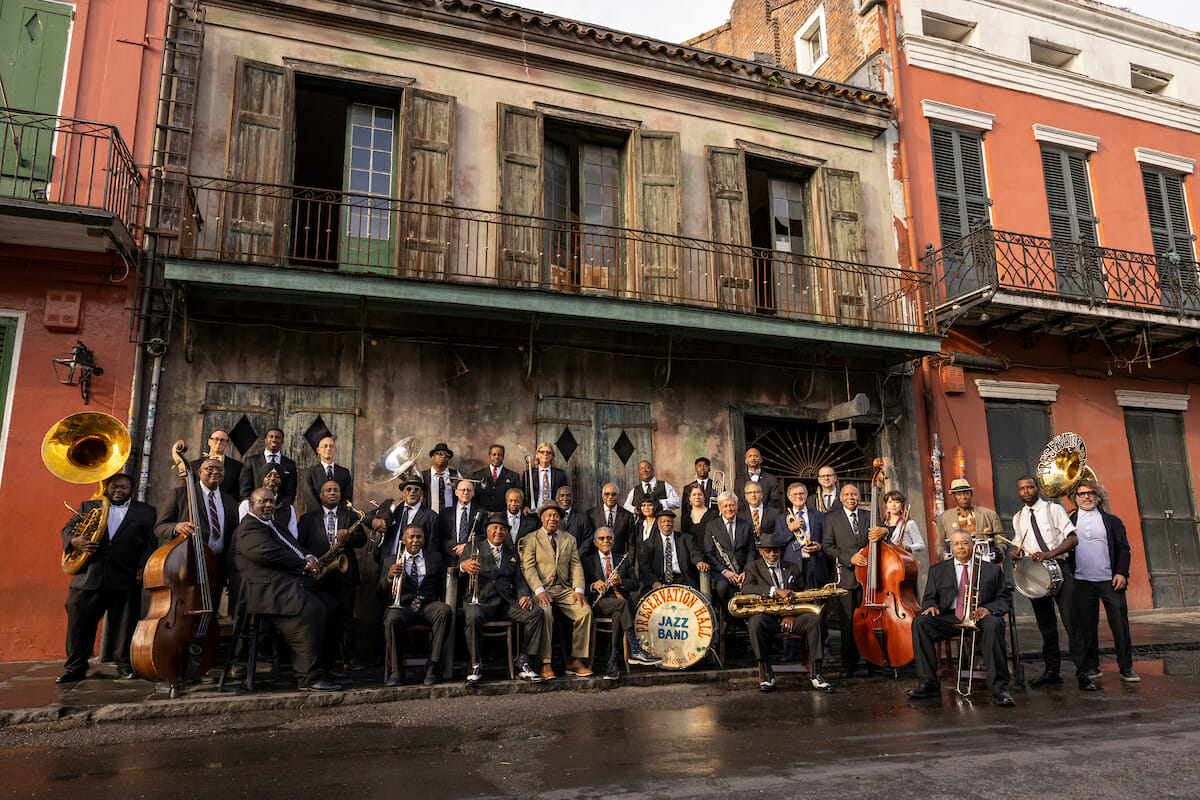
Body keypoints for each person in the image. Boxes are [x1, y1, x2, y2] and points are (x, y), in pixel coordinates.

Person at [232, 489, 340, 692]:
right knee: (311, 611)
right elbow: (267, 553)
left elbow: (295, 546)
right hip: (264, 591)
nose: (268, 505)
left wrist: (311, 557)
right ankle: (308, 677)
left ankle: (325, 668)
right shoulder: (248, 528)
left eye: (271, 502)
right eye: (263, 502)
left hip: (283, 584)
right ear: (251, 506)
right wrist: (304, 565)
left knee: (332, 606)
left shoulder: (274, 525)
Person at [58, 474, 157, 683]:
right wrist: (75, 541)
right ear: (107, 487)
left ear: (131, 489)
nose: (118, 490)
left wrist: (143, 566)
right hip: (88, 576)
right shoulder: (88, 506)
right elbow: (67, 530)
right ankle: (75, 669)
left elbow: (150, 542)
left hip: (126, 576)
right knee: (79, 624)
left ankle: (124, 666)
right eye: (114, 486)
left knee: (124, 626)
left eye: (123, 487)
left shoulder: (146, 511)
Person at [908, 529, 1014, 706]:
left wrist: (988, 609)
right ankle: (929, 683)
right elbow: (929, 598)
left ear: (972, 545)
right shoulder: (937, 570)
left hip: (980, 616)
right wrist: (931, 606)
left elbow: (1004, 599)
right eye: (956, 544)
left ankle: (999, 688)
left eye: (965, 543)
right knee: (920, 622)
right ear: (951, 547)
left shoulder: (992, 569)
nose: (961, 547)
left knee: (995, 623)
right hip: (950, 617)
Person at [1012, 475, 1092, 690]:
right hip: (1036, 575)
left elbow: (1073, 539)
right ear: (1018, 492)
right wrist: (1016, 554)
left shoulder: (1053, 509)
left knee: (1072, 623)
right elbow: (1020, 546)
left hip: (1059, 568)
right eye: (1022, 488)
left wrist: (1049, 554)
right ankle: (1052, 672)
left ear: (1037, 488)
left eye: (1030, 487)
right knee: (1046, 626)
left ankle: (1083, 673)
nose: (1026, 491)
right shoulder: (1018, 517)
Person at [458, 513, 544, 686]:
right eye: (495, 528)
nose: (499, 531)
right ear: (487, 530)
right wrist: (462, 566)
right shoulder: (473, 547)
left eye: (503, 529)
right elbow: (456, 570)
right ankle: (475, 665)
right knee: (473, 616)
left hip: (504, 602)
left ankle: (524, 662)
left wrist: (524, 595)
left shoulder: (512, 552)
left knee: (536, 613)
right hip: (479, 601)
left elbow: (519, 580)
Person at [742, 533, 831, 693]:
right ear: (761, 551)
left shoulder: (792, 567)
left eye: (775, 551)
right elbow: (746, 588)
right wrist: (774, 590)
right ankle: (767, 674)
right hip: (768, 618)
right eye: (768, 551)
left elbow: (803, 593)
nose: (772, 554)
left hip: (792, 617)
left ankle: (816, 674)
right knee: (755, 623)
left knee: (815, 621)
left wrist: (791, 614)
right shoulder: (752, 567)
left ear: (780, 551)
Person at [1069, 478, 1137, 683]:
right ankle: (1092, 666)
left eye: (1090, 493)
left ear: (1097, 496)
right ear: (1075, 498)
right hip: (1082, 582)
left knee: (1120, 627)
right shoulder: (1068, 522)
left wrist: (1121, 573)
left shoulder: (1112, 521)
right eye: (1082, 494)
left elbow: (1124, 548)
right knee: (1087, 627)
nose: (1086, 497)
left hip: (1110, 580)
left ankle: (1126, 668)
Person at [297, 480, 366, 676]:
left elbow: (362, 540)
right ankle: (325, 661)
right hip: (319, 576)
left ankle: (349, 658)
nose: (332, 493)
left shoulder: (350, 516)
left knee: (346, 617)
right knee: (322, 619)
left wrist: (349, 537)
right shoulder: (307, 519)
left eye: (336, 490)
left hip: (345, 575)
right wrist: (312, 561)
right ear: (320, 495)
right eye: (328, 490)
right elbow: (300, 545)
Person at [520, 501, 593, 679]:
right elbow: (528, 568)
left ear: (560, 519)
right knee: (545, 612)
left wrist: (579, 590)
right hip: (543, 589)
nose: (552, 518)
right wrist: (538, 590)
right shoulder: (531, 539)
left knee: (584, 611)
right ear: (542, 518)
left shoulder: (569, 539)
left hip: (564, 589)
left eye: (556, 516)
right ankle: (546, 663)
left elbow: (576, 565)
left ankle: (575, 660)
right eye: (549, 515)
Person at [155, 457, 239, 608]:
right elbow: (160, 527)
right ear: (199, 472)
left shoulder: (230, 501)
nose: (215, 472)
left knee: (211, 610)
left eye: (220, 469)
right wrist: (177, 527)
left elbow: (233, 536)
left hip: (217, 567)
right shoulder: (180, 494)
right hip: (187, 563)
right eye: (210, 468)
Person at [582, 526, 662, 679]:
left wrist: (622, 582)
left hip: (619, 605)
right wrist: (593, 586)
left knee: (619, 613)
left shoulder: (622, 559)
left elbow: (635, 584)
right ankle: (636, 649)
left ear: (613, 541)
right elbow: (581, 585)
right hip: (600, 603)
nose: (606, 541)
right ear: (595, 542)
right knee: (623, 604)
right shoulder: (588, 561)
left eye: (609, 538)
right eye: (602, 538)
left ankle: (612, 664)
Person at [379, 525, 453, 686]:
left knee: (444, 611)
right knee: (391, 619)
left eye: (419, 537)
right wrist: (389, 576)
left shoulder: (435, 558)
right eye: (411, 537)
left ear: (424, 539)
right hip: (403, 606)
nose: (415, 540)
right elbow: (379, 591)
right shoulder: (391, 560)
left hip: (428, 605)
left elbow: (442, 585)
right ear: (403, 540)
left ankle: (432, 666)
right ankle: (397, 671)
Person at [822, 483, 883, 677]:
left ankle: (874, 663)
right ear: (841, 498)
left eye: (854, 494)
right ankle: (849, 665)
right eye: (847, 494)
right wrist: (850, 558)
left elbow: (886, 531)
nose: (851, 497)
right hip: (847, 577)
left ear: (859, 497)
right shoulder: (831, 519)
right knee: (848, 624)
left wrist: (885, 531)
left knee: (871, 621)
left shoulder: (869, 516)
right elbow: (828, 547)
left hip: (870, 578)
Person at [371, 475, 442, 562]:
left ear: (421, 493)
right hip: (387, 562)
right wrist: (374, 521)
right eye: (408, 489)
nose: (412, 492)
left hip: (414, 565)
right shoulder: (393, 509)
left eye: (416, 489)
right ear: (404, 492)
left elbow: (433, 548)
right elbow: (367, 517)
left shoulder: (431, 517)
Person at [702, 491, 753, 606]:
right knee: (722, 587)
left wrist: (746, 571)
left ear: (737, 506)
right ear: (719, 507)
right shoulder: (712, 526)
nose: (729, 509)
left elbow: (751, 551)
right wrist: (725, 571)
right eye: (725, 506)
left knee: (751, 587)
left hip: (743, 570)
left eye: (732, 505)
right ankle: (728, 616)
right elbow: (709, 553)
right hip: (722, 571)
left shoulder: (746, 525)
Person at [775, 482, 829, 589]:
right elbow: (778, 542)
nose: (798, 496)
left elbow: (828, 541)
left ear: (806, 495)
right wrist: (790, 529)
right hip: (792, 566)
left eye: (801, 493)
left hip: (815, 564)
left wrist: (820, 547)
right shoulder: (781, 519)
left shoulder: (820, 516)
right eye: (795, 494)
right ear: (789, 497)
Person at [640, 509, 706, 591]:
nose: (666, 524)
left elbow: (695, 553)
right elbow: (644, 566)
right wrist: (654, 581)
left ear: (673, 523)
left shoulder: (686, 539)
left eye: (669, 521)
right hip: (659, 581)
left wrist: (699, 561)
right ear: (658, 523)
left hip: (683, 580)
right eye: (663, 521)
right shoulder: (649, 543)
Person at [934, 478, 1002, 555]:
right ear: (953, 496)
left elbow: (1001, 542)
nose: (963, 497)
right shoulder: (943, 519)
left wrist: (996, 554)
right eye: (959, 494)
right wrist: (947, 559)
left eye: (966, 493)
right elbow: (940, 546)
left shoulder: (989, 515)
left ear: (971, 494)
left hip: (982, 559)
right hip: (957, 561)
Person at [239, 428, 297, 505]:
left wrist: (282, 507)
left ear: (282, 441)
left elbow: (290, 492)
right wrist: (252, 505)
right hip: (256, 506)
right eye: (271, 437)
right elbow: (245, 489)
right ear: (265, 440)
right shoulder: (251, 461)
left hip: (280, 507)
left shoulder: (289, 464)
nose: (274, 440)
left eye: (277, 437)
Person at [237, 469, 299, 538]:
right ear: (262, 479)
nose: (272, 479)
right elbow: (244, 530)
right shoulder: (247, 504)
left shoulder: (288, 508)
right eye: (269, 476)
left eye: (277, 477)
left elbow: (293, 536)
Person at [438, 478, 487, 560]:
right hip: (450, 558)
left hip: (472, 558)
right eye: (463, 490)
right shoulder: (445, 513)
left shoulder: (481, 513)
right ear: (456, 492)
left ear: (473, 493)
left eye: (469, 490)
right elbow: (441, 537)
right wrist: (456, 550)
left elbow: (483, 536)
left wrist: (467, 547)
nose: (466, 492)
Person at [301, 436, 352, 512]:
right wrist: (324, 514)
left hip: (339, 516)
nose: (328, 449)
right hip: (316, 515)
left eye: (331, 446)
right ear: (318, 450)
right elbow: (309, 497)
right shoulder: (310, 473)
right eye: (325, 446)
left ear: (335, 450)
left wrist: (335, 513)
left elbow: (347, 496)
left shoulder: (344, 473)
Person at [585, 483, 635, 557]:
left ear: (618, 496)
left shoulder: (627, 515)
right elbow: (588, 540)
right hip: (597, 560)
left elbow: (631, 543)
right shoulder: (591, 514)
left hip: (619, 560)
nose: (610, 497)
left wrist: (629, 561)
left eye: (613, 494)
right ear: (602, 496)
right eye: (607, 494)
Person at [191, 429, 242, 498]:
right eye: (216, 439)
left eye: (222, 440)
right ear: (209, 441)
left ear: (227, 444)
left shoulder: (237, 466)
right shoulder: (194, 465)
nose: (219, 442)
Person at [472, 444, 522, 513]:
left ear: (503, 457)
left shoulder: (513, 476)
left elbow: (517, 498)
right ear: (489, 456)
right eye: (494, 454)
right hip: (482, 515)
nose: (497, 457)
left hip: (504, 515)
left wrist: (502, 513)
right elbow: (473, 498)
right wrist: (484, 512)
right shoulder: (477, 475)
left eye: (499, 455)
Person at [521, 443, 568, 511]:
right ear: (537, 455)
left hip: (553, 511)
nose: (545, 454)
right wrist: (525, 506)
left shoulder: (560, 474)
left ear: (552, 456)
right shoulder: (529, 473)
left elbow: (564, 493)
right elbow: (523, 492)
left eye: (548, 452)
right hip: (533, 512)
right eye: (542, 452)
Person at [420, 442, 462, 515]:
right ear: (432, 457)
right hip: (429, 516)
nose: (443, 457)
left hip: (451, 516)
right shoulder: (423, 475)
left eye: (446, 455)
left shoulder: (455, 474)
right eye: (439, 454)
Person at [880, 490, 926, 555]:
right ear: (886, 505)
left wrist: (905, 547)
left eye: (897, 502)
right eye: (890, 502)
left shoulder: (909, 524)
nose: (893, 505)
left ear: (902, 505)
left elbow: (921, 546)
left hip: (902, 558)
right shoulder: (883, 524)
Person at [556, 485, 594, 554]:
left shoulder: (583, 518)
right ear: (557, 498)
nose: (565, 498)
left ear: (572, 498)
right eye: (562, 496)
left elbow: (588, 539)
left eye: (568, 495)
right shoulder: (550, 519)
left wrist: (576, 555)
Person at [679, 484, 718, 551]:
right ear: (689, 498)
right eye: (694, 495)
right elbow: (684, 539)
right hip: (691, 554)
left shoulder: (713, 514)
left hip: (710, 553)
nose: (697, 497)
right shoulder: (686, 518)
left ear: (704, 497)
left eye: (700, 494)